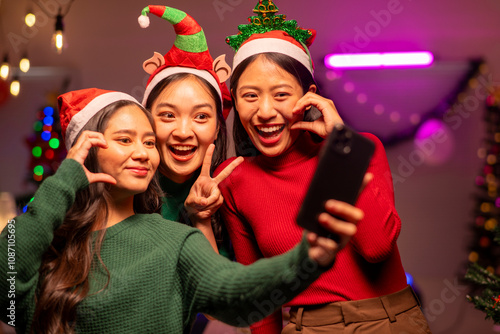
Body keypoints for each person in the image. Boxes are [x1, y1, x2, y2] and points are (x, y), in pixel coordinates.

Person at [0, 88, 360, 334]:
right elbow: (5, 293)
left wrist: (306, 257)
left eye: (149, 142)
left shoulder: (174, 241)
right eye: (126, 139)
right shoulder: (43, 239)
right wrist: (65, 181)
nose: (144, 153)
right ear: (87, 150)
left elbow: (236, 293)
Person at [216, 1, 432, 333]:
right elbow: (259, 299)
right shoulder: (234, 179)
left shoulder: (361, 149)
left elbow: (377, 248)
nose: (265, 111)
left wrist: (341, 148)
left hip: (390, 323)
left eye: (281, 94)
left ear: (309, 98)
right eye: (250, 96)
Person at [138, 5, 238, 253]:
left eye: (201, 116)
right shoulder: (123, 193)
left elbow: (218, 289)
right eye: (168, 115)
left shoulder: (235, 199)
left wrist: (201, 217)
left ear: (216, 128)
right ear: (147, 122)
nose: (183, 131)